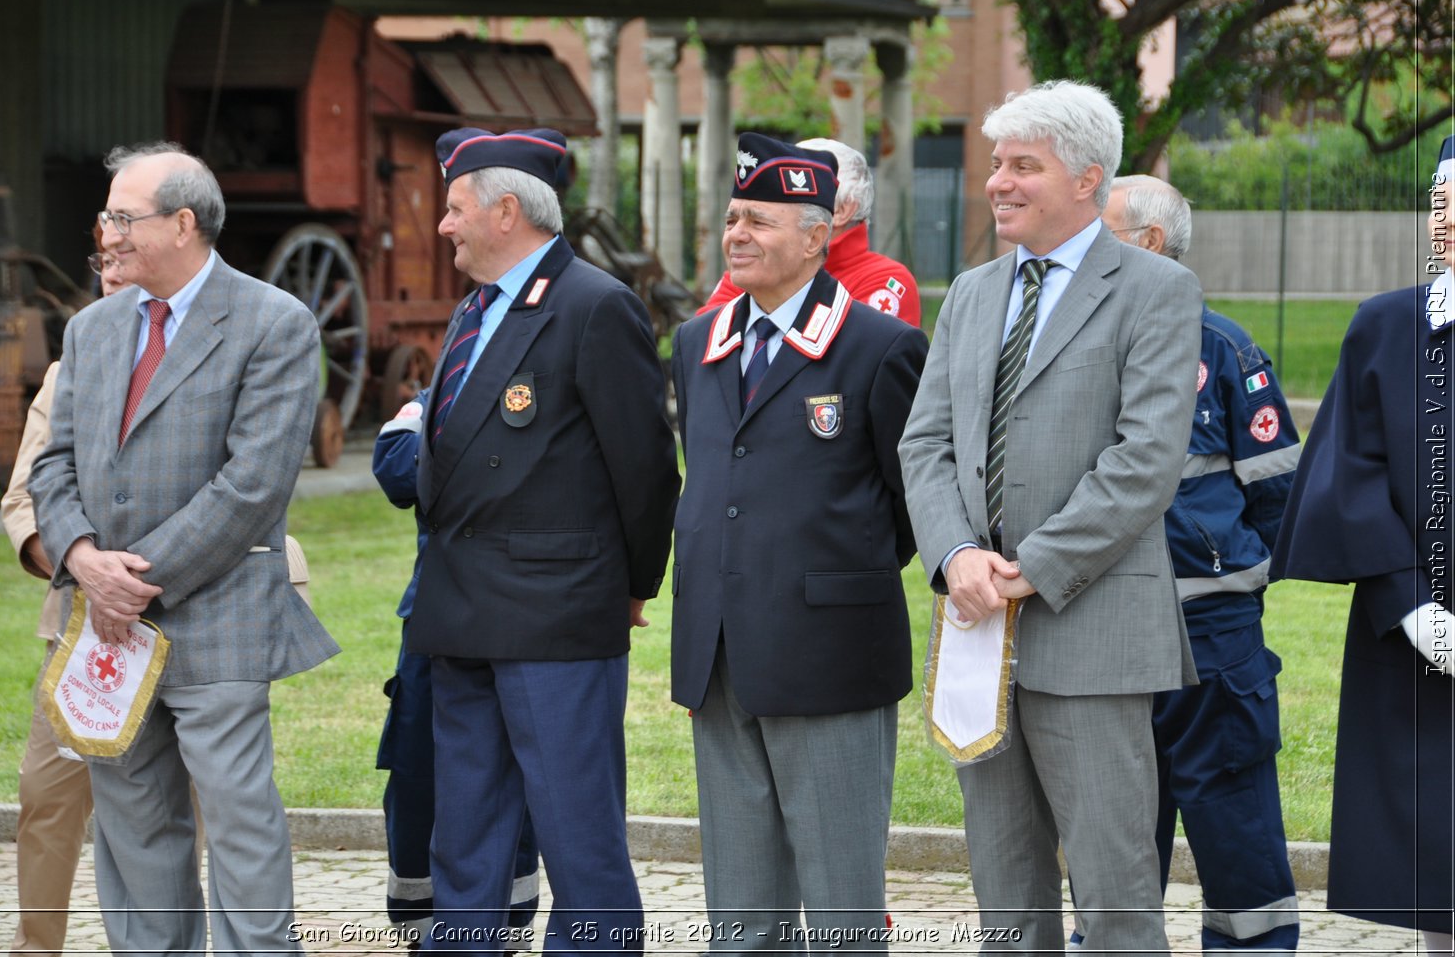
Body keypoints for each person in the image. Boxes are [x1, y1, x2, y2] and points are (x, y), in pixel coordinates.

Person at [897, 80, 1202, 953]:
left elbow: (1145, 459)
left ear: (1087, 179)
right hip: (976, 630)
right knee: (1004, 883)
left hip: (1092, 626)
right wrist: (957, 552)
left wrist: (1029, 566)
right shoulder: (972, 291)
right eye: (996, 163)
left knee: (1112, 888)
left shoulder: (1156, 290)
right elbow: (925, 446)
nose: (998, 181)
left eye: (1023, 165)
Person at [28, 142, 336, 954]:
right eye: (107, 217)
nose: (109, 233)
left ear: (185, 223)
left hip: (220, 620)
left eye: (124, 217)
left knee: (238, 819)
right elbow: (52, 464)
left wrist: (135, 579)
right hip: (104, 626)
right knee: (131, 827)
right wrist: (85, 559)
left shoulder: (275, 323)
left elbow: (254, 487)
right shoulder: (91, 329)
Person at [408, 127, 679, 955]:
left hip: (557, 620)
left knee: (577, 834)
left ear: (505, 210)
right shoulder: (473, 307)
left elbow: (646, 470)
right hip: (461, 615)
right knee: (466, 836)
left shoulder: (595, 305)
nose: (444, 225)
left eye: (455, 209)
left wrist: (628, 588)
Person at [669, 132, 928, 952]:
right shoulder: (695, 344)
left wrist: (827, 579)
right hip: (719, 656)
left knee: (843, 914)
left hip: (830, 653)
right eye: (733, 216)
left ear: (817, 237)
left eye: (761, 220)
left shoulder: (879, 346)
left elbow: (910, 502)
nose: (736, 234)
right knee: (741, 918)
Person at [1067, 175, 1300, 952]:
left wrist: (1226, 583)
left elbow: (1278, 496)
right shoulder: (1070, 344)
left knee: (1234, 820)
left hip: (1211, 637)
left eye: (1098, 230)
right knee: (1113, 832)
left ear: (1149, 243)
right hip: (1099, 630)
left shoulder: (1225, 347)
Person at [1270, 136, 1455, 956]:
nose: (1444, 217)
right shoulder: (1386, 329)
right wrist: (1413, 608)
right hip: (1417, 642)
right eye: (1437, 199)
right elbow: (1350, 475)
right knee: (1435, 867)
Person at [372, 390, 540, 950]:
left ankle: (507, 921)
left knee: (516, 773)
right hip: (433, 620)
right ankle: (420, 920)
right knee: (419, 769)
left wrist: (457, 455)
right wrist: (492, 454)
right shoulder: (440, 391)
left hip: (525, 615)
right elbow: (395, 468)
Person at [704, 137, 922, 326]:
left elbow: (845, 360)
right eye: (732, 220)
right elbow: (703, 347)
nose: (738, 235)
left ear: (842, 209)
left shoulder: (882, 279)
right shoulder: (759, 267)